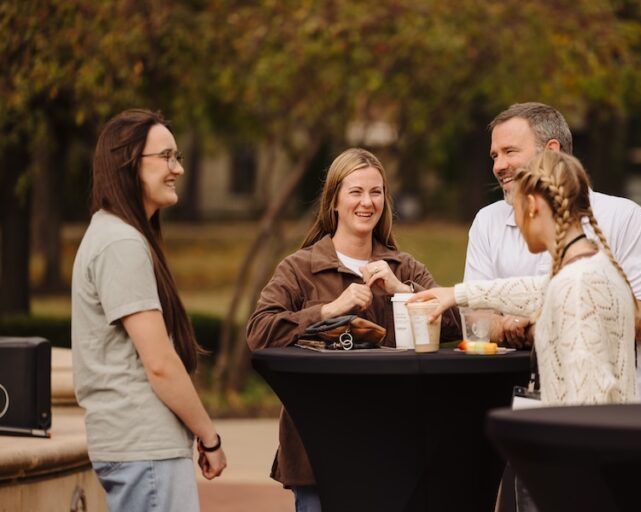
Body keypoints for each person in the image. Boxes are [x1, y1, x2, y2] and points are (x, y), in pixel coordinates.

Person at [412, 150, 639, 511]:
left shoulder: (576, 285)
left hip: (577, 481)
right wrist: (455, 294)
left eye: (515, 209)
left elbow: (584, 404)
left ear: (533, 204)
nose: (514, 222)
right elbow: (537, 289)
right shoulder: (594, 267)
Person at [246, 147, 461, 512]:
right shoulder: (299, 269)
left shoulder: (404, 267)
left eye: (375, 192)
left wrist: (402, 292)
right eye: (355, 192)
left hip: (392, 444)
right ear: (334, 201)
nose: (367, 202)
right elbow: (258, 332)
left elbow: (456, 325)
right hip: (318, 449)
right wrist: (328, 310)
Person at [465, 102, 641, 403]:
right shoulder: (487, 221)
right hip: (521, 402)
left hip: (623, 409)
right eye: (495, 156)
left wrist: (545, 321)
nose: (498, 166)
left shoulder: (626, 218)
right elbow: (475, 317)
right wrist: (510, 326)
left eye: (510, 152)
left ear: (552, 151)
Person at [71, 109, 226, 512]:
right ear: (128, 164)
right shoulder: (121, 243)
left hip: (139, 445)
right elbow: (159, 362)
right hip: (145, 446)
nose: (178, 169)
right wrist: (209, 436)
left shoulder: (115, 235)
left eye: (178, 157)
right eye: (167, 157)